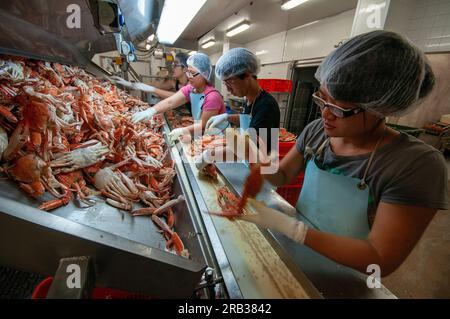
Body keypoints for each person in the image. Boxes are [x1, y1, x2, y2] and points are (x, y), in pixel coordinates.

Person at [235, 30, 448, 276]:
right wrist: (257, 165)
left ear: (379, 107)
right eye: (322, 99)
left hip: (346, 276)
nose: (325, 114)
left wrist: (294, 229)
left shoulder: (415, 165)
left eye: (338, 108)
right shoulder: (317, 132)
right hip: (295, 256)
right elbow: (284, 174)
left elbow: (380, 258)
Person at [130, 53, 226, 141]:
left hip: (217, 138)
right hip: (202, 134)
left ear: (204, 74)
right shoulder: (190, 89)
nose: (189, 77)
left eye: (192, 73)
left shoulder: (212, 96)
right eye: (188, 73)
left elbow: (204, 125)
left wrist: (183, 130)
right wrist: (151, 111)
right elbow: (170, 102)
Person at [206, 48, 280, 151]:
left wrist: (210, 154)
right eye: (225, 83)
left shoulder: (266, 105)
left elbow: (249, 148)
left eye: (230, 82)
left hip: (261, 163)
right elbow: (250, 119)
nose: (228, 89)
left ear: (247, 75)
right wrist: (227, 117)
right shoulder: (250, 99)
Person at [112, 52, 190, 101]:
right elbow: (155, 84)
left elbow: (179, 96)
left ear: (185, 69)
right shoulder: (173, 82)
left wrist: (153, 90)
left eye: (176, 64)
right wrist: (131, 84)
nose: (172, 67)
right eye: (173, 64)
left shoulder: (192, 84)